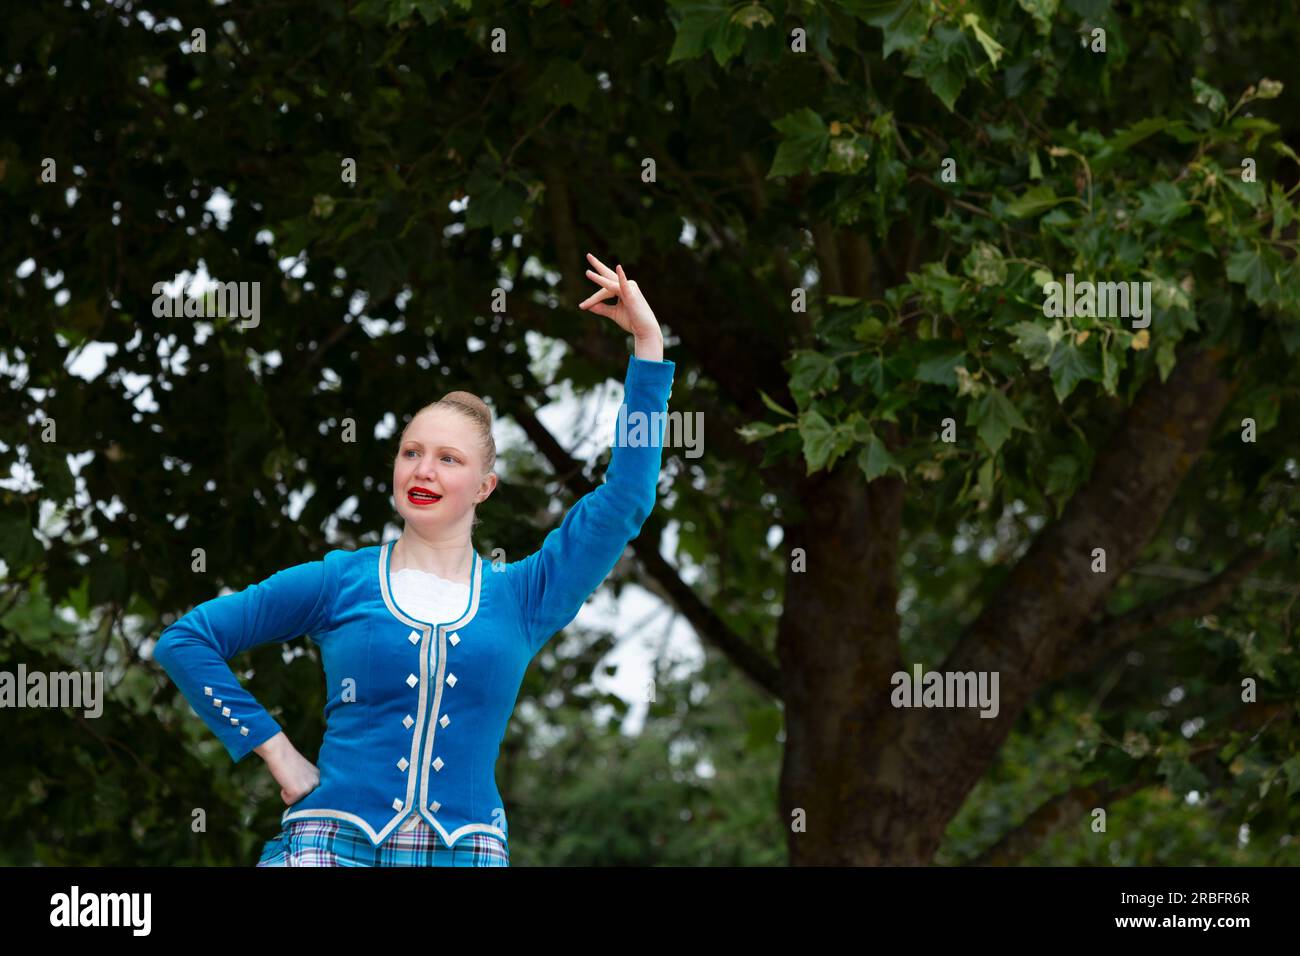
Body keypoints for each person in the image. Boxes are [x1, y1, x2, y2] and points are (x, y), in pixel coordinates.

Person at [152, 254, 676, 866]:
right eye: (411, 453)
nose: (424, 470)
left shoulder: (524, 597)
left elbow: (627, 500)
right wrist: (275, 749)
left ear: (484, 487)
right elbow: (185, 642)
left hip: (465, 854)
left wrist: (647, 345)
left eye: (448, 459)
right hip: (327, 848)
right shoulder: (339, 581)